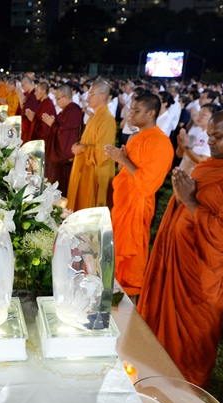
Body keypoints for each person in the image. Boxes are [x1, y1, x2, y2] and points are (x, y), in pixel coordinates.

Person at [139, 108, 223, 388]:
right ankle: (152, 374)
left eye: (218, 136)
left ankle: (181, 393)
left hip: (201, 276)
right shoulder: (212, 164)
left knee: (189, 344)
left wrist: (188, 200)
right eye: (210, 134)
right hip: (175, 262)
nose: (210, 141)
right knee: (159, 332)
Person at [105, 94, 174, 297]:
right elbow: (125, 168)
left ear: (151, 113)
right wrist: (121, 157)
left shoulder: (160, 143)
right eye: (132, 110)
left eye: (136, 111)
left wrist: (123, 159)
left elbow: (148, 184)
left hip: (138, 204)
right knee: (116, 243)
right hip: (124, 199)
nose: (131, 114)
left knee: (131, 253)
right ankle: (114, 284)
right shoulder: (137, 137)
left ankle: (129, 293)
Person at [67, 80, 117, 210]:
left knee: (90, 210)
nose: (87, 98)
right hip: (85, 167)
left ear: (102, 97)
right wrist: (80, 145)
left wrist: (83, 148)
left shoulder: (106, 119)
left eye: (91, 95)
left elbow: (103, 152)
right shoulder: (93, 116)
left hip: (95, 172)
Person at [43, 84, 84, 197]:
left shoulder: (73, 111)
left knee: (62, 189)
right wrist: (54, 124)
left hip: (65, 159)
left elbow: (65, 135)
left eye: (58, 99)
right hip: (59, 159)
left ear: (66, 97)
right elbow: (61, 128)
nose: (56, 102)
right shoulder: (66, 111)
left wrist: (52, 124)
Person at [176, 103, 218, 175]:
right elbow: (179, 155)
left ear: (213, 119)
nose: (199, 116)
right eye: (199, 113)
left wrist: (185, 147)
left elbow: (202, 161)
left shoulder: (211, 137)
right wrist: (180, 144)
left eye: (203, 115)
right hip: (182, 172)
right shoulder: (195, 129)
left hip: (195, 177)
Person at [20, 76, 38, 143]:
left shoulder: (34, 95)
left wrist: (23, 105)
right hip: (27, 125)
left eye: (23, 85)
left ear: (27, 83)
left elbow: (31, 110)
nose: (22, 88)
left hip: (30, 125)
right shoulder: (29, 94)